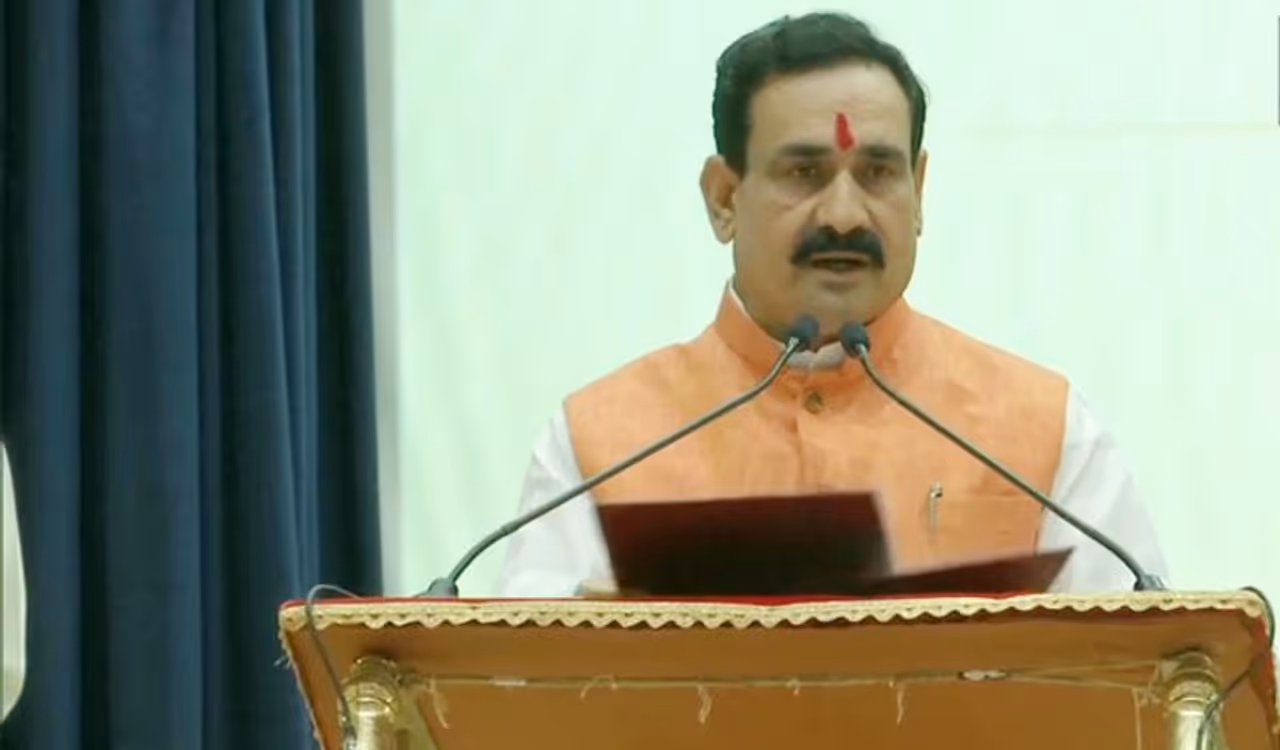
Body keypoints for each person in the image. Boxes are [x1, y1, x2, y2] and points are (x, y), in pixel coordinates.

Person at [495, 12, 1167, 598]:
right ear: (724, 198)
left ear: (919, 191)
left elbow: (1143, 671)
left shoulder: (1045, 433)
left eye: (878, 173)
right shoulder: (601, 446)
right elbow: (521, 687)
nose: (844, 215)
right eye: (804, 173)